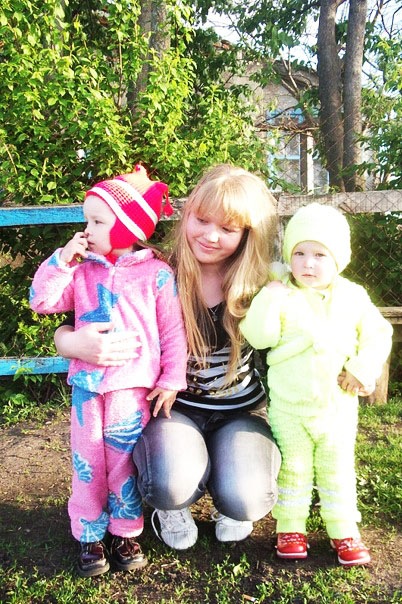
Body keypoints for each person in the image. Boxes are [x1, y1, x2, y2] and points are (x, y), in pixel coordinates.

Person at [54, 163, 282, 552]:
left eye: (227, 229)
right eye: (202, 220)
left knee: (245, 497)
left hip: (240, 411)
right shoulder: (156, 268)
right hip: (172, 409)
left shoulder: (262, 283)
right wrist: (70, 344)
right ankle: (172, 504)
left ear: (248, 233)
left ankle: (229, 478)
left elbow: (306, 335)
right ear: (187, 213)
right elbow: (75, 320)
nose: (210, 235)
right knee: (169, 483)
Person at [30, 165, 188, 577]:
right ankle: (88, 533)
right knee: (86, 463)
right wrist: (61, 260)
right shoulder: (81, 269)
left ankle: (125, 531)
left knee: (122, 464)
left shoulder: (157, 274)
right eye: (88, 221)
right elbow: (42, 301)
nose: (88, 229)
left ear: (129, 226)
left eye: (98, 221)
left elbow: (173, 332)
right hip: (87, 388)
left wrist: (172, 378)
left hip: (132, 391)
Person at [240, 202, 393, 567]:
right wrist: (269, 295)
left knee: (337, 467)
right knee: (293, 467)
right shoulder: (281, 294)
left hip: (337, 407)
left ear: (338, 258)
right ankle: (291, 527)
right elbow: (259, 336)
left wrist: (362, 368)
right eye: (300, 253)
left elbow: (379, 334)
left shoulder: (352, 296)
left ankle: (344, 529)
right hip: (290, 408)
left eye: (320, 255)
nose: (308, 263)